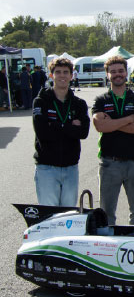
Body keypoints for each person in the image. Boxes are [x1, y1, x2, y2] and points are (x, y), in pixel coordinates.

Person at [92, 56, 134, 225]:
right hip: (109, 163)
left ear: (126, 73)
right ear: (107, 74)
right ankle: (107, 247)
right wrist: (129, 118)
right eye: (113, 71)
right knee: (107, 213)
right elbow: (100, 126)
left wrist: (113, 123)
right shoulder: (101, 100)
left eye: (120, 71)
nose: (117, 74)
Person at [32, 58, 90, 206]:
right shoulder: (41, 101)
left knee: (67, 216)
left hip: (71, 167)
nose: (62, 76)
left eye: (66, 72)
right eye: (58, 72)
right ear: (51, 75)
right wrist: (70, 126)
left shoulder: (79, 104)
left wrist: (56, 125)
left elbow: (83, 133)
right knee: (49, 216)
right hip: (47, 168)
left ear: (72, 76)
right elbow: (43, 133)